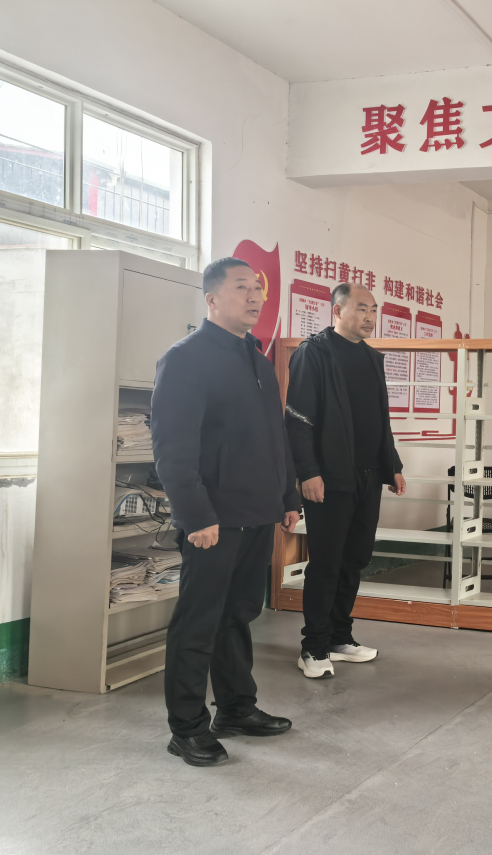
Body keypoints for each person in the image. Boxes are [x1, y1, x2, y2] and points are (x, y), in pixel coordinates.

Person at [152, 257, 302, 767]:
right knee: (198, 623)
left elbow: (275, 437)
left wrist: (287, 498)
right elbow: (173, 449)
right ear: (212, 299)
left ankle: (236, 708)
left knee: (238, 615)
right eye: (242, 288)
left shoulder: (257, 361)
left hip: (257, 513)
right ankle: (187, 727)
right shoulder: (186, 359)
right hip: (213, 520)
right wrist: (195, 515)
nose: (255, 296)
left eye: (257, 288)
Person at [285, 282, 406, 679]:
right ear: (337, 310)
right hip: (329, 478)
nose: (370, 317)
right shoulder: (314, 353)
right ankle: (313, 646)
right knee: (326, 562)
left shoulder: (371, 357)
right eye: (361, 309)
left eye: (374, 310)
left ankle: (339, 637)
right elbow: (298, 419)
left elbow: (380, 418)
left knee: (355, 559)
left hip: (368, 476)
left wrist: (392, 465)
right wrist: (308, 472)